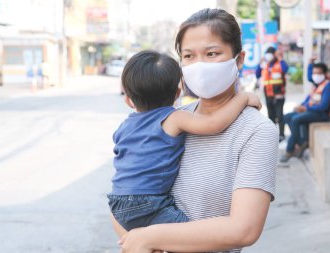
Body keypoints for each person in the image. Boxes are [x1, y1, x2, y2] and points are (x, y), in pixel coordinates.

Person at [112, 8, 278, 253]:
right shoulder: (172, 119)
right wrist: (144, 241)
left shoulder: (255, 130)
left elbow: (243, 229)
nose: (199, 65)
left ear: (239, 59)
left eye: (212, 53)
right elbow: (125, 193)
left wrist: (149, 238)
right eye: (188, 56)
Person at [108, 50, 261, 231]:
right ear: (177, 93)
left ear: (128, 100)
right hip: (149, 203)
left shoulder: (124, 127)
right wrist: (243, 98)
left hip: (117, 203)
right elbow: (214, 123)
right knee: (192, 239)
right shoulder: (173, 118)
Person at [280, 60, 330, 163]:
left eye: (318, 73)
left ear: (325, 74)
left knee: (295, 120)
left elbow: (324, 106)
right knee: (287, 117)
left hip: (321, 114)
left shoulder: (328, 86)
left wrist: (306, 108)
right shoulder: (315, 85)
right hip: (310, 111)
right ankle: (302, 142)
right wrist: (301, 106)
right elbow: (309, 99)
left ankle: (289, 150)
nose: (315, 75)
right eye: (314, 73)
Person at [256, 46, 289, 142]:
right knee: (271, 116)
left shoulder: (280, 63)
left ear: (275, 54)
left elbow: (285, 69)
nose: (269, 56)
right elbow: (257, 74)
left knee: (279, 115)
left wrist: (280, 58)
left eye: (271, 53)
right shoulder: (265, 65)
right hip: (268, 94)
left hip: (279, 95)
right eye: (267, 54)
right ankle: (273, 135)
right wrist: (260, 63)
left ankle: (282, 134)